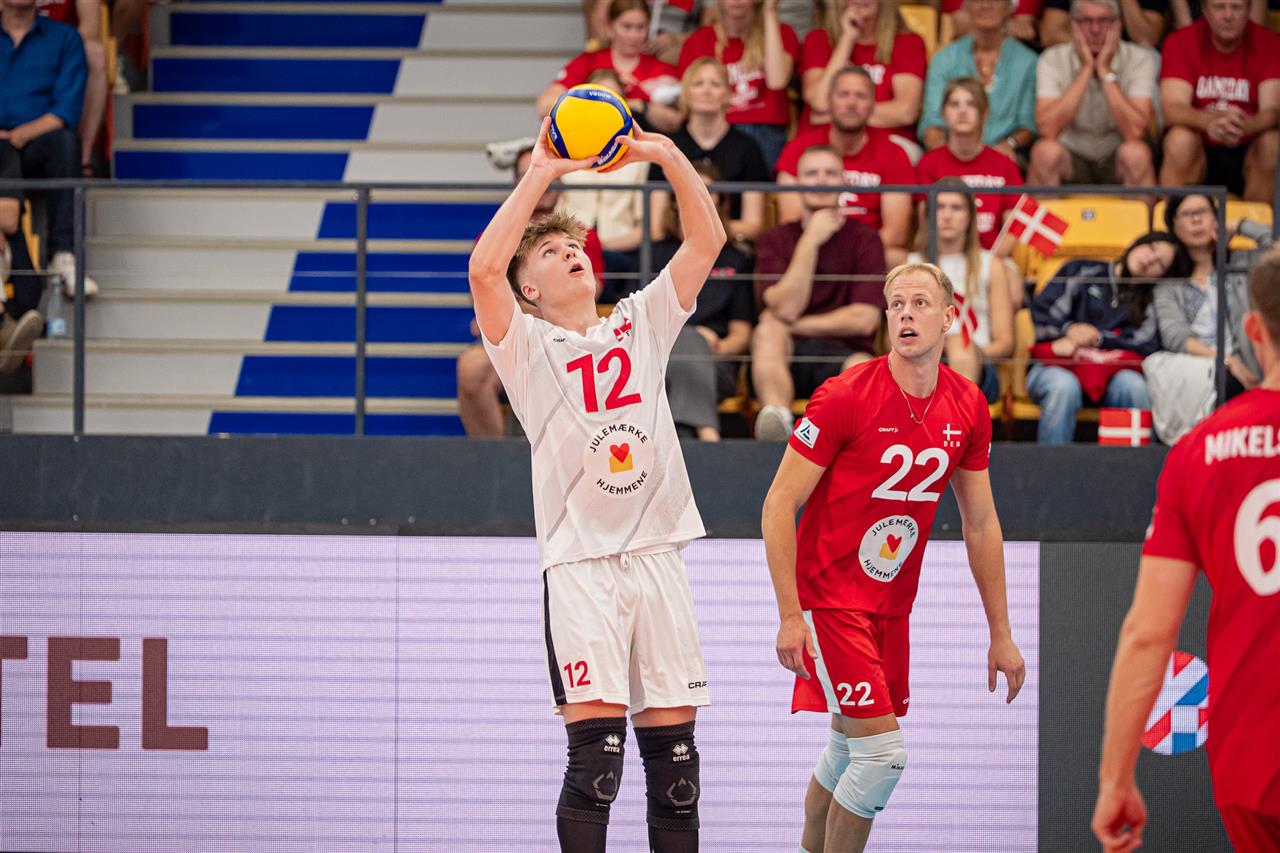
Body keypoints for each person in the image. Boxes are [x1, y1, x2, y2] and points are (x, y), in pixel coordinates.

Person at [468, 115, 725, 853]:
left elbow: (706, 240)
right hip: (581, 564)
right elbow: (483, 271)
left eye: (576, 246)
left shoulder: (640, 321)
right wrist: (543, 171)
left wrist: (664, 151)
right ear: (529, 287)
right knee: (597, 766)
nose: (571, 253)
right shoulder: (525, 345)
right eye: (551, 252)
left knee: (678, 775)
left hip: (657, 555)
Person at [761, 261, 1026, 853]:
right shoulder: (844, 395)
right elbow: (778, 504)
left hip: (890, 605)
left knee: (846, 750)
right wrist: (790, 614)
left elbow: (981, 523)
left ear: (949, 317)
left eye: (920, 304)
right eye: (896, 304)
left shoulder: (968, 405)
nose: (906, 314)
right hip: (831, 602)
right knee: (882, 756)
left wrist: (1001, 633)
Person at [1093, 248, 1280, 853]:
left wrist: (1115, 779)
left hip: (1253, 754)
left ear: (1254, 331)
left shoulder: (1200, 451)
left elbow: (1148, 634)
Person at [456, 144, 607, 438]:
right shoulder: (493, 238)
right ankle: (496, 459)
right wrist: (541, 306)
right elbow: (484, 298)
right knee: (471, 369)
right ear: (518, 184)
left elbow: (589, 293)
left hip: (573, 338)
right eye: (532, 175)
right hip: (514, 338)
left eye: (550, 176)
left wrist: (518, 304)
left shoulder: (583, 233)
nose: (544, 183)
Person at [752, 144, 888, 441]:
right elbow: (785, 307)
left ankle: (853, 442)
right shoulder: (775, 239)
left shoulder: (866, 239)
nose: (821, 180)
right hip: (785, 356)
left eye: (830, 173)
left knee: (861, 366)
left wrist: (795, 325)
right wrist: (810, 241)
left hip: (843, 354)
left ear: (844, 181)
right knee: (768, 332)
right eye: (812, 173)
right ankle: (777, 420)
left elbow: (864, 320)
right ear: (798, 182)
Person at [622, 158, 755, 440]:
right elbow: (630, 322)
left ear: (720, 201)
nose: (697, 198)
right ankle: (706, 437)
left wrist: (708, 347)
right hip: (655, 358)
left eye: (707, 192)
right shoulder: (653, 253)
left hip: (715, 365)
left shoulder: (736, 258)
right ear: (674, 200)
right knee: (683, 346)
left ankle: (695, 439)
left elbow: (742, 334)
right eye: (688, 190)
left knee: (688, 348)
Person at [1025, 232, 1177, 444]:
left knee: (1134, 386)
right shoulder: (1081, 270)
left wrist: (1098, 339)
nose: (1150, 259)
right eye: (1151, 248)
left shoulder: (1149, 300)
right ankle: (1051, 464)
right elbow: (1041, 314)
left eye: (1160, 263)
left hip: (1111, 376)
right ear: (1136, 243)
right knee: (1063, 387)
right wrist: (1069, 330)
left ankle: (1137, 465)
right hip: (1056, 366)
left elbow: (1146, 345)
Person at [1143, 194, 1259, 442]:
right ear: (1174, 226)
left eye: (1203, 212)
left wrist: (1240, 226)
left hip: (1249, 362)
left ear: (1216, 219)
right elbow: (1176, 337)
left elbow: (1275, 242)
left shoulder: (1242, 264)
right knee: (1225, 382)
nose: (1196, 219)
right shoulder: (1169, 285)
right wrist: (1225, 361)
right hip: (1201, 367)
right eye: (1187, 214)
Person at [0, 0, 97, 298]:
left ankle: (63, 255)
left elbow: (66, 111)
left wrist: (19, 135)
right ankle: (20, 296)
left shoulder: (65, 38)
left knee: (65, 142)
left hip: (36, 143)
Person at [775, 66, 915, 265]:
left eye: (861, 96)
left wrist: (852, 254)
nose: (851, 103)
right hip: (812, 247)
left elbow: (896, 234)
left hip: (868, 252)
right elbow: (791, 222)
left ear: (873, 103)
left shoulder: (894, 154)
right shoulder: (798, 149)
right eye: (843, 94)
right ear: (829, 100)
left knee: (900, 257)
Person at [1159, 0, 1280, 202]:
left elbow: (1273, 111)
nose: (1228, 16)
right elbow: (1172, 110)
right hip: (1200, 146)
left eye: (1236, 7)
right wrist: (1211, 122)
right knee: (1179, 139)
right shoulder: (1181, 41)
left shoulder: (1270, 42)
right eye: (1219, 7)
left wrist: (1243, 126)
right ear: (1205, 10)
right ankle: (1175, 217)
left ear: (1248, 10)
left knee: (1273, 143)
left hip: (1249, 145)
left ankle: (1256, 221)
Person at [1029, 0, 1157, 190]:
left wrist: (1105, 72)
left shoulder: (1139, 59)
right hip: (1071, 157)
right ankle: (1045, 212)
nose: (1095, 29)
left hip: (1116, 157)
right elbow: (1048, 129)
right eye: (1086, 21)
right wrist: (1085, 70)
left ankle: (1141, 212)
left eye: (1104, 21)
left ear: (1118, 25)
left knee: (1136, 154)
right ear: (1073, 26)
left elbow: (1135, 131)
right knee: (1045, 153)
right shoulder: (1052, 59)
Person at [908, 185, 1015, 403]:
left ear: (970, 217)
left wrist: (965, 352)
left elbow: (1006, 343)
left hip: (980, 368)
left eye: (956, 208)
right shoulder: (911, 265)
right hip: (922, 363)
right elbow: (895, 338)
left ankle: (957, 419)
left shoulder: (990, 264)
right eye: (939, 207)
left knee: (960, 344)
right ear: (928, 215)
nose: (947, 215)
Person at [648, 57, 770, 246]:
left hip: (730, 248)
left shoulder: (748, 148)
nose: (707, 90)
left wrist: (703, 231)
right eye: (698, 84)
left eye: (715, 84)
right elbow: (656, 228)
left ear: (728, 94)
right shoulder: (667, 147)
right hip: (675, 248)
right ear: (686, 93)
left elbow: (754, 226)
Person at [677, 0, 801, 168]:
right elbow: (687, 96)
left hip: (764, 129)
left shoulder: (780, 32)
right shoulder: (699, 40)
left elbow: (777, 81)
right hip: (717, 127)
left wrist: (770, 10)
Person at [556, 69, 651, 281]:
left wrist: (600, 248)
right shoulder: (563, 149)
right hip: (568, 251)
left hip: (619, 253)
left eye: (611, 98)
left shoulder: (638, 158)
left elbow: (642, 229)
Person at [799, 0, 927, 156]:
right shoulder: (818, 39)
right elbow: (819, 102)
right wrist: (847, 38)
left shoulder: (908, 42)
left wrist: (838, 115)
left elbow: (905, 112)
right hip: (822, 141)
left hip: (888, 142)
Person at [919, 0, 1038, 164]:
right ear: (965, 6)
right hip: (952, 154)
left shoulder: (1028, 62)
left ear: (1009, 7)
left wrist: (1008, 144)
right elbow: (931, 121)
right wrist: (944, 155)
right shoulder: (944, 59)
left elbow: (1028, 125)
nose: (985, 5)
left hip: (1005, 157)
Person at [542, 0, 684, 133]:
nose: (633, 35)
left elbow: (678, 121)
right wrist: (609, 99)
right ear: (610, 26)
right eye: (627, 26)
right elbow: (544, 106)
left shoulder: (662, 70)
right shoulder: (589, 62)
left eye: (640, 27)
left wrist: (640, 105)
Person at [915, 78, 1024, 251]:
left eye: (971, 104)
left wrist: (988, 261)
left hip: (992, 257)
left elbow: (1013, 230)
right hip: (943, 257)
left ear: (985, 113)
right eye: (954, 104)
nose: (962, 111)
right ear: (943, 113)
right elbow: (926, 226)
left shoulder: (1005, 165)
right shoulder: (928, 164)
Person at [35, 0, 105, 175]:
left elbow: (90, 28)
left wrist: (54, 50)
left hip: (63, 50)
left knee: (94, 53)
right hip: (14, 43)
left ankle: (83, 158)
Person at [1040, 0, 1167, 48]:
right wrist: (1096, 48)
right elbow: (1050, 35)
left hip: (1128, 55)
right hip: (1078, 50)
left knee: (1150, 57)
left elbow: (1146, 39)